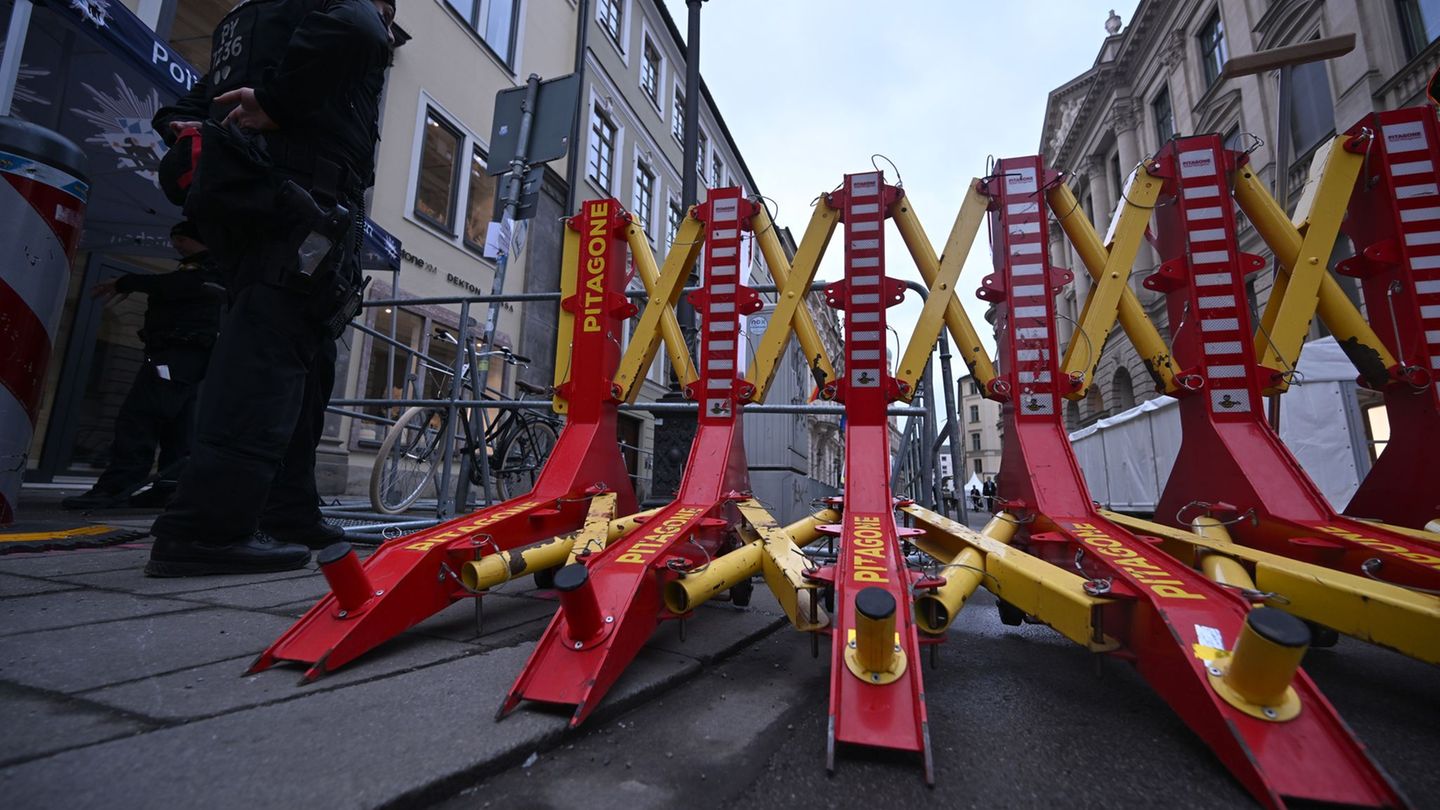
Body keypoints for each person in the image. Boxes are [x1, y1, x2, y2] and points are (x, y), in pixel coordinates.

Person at [143, 0, 396, 577]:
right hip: (300, 200)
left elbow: (191, 104)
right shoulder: (336, 13)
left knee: (303, 361)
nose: (385, 16)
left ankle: (286, 511)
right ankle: (206, 530)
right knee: (267, 364)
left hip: (268, 199)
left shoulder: (250, 20)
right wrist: (278, 105)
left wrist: (194, 128)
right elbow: (356, 26)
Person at [63, 222, 226, 510]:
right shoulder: (205, 268)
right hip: (181, 358)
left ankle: (117, 487)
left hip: (175, 356)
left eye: (182, 239)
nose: (176, 245)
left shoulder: (206, 270)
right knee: (177, 426)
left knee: (139, 417)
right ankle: (168, 489)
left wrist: (127, 282)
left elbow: (175, 287)